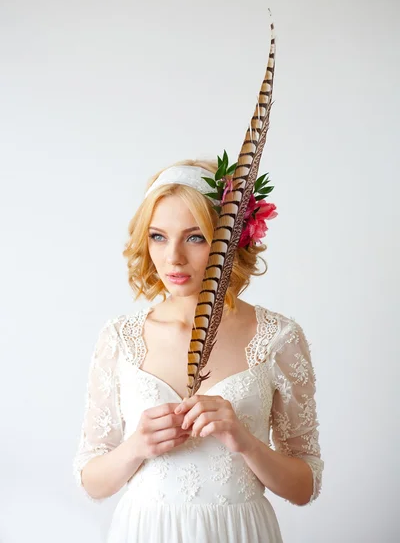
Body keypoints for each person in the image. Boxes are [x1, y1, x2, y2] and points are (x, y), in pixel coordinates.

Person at [73, 158, 324, 543]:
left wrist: (246, 442)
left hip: (239, 532)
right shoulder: (120, 337)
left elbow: (304, 486)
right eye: (158, 236)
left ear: (230, 238)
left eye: (194, 237)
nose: (172, 257)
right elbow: (92, 481)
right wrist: (137, 446)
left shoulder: (278, 338)